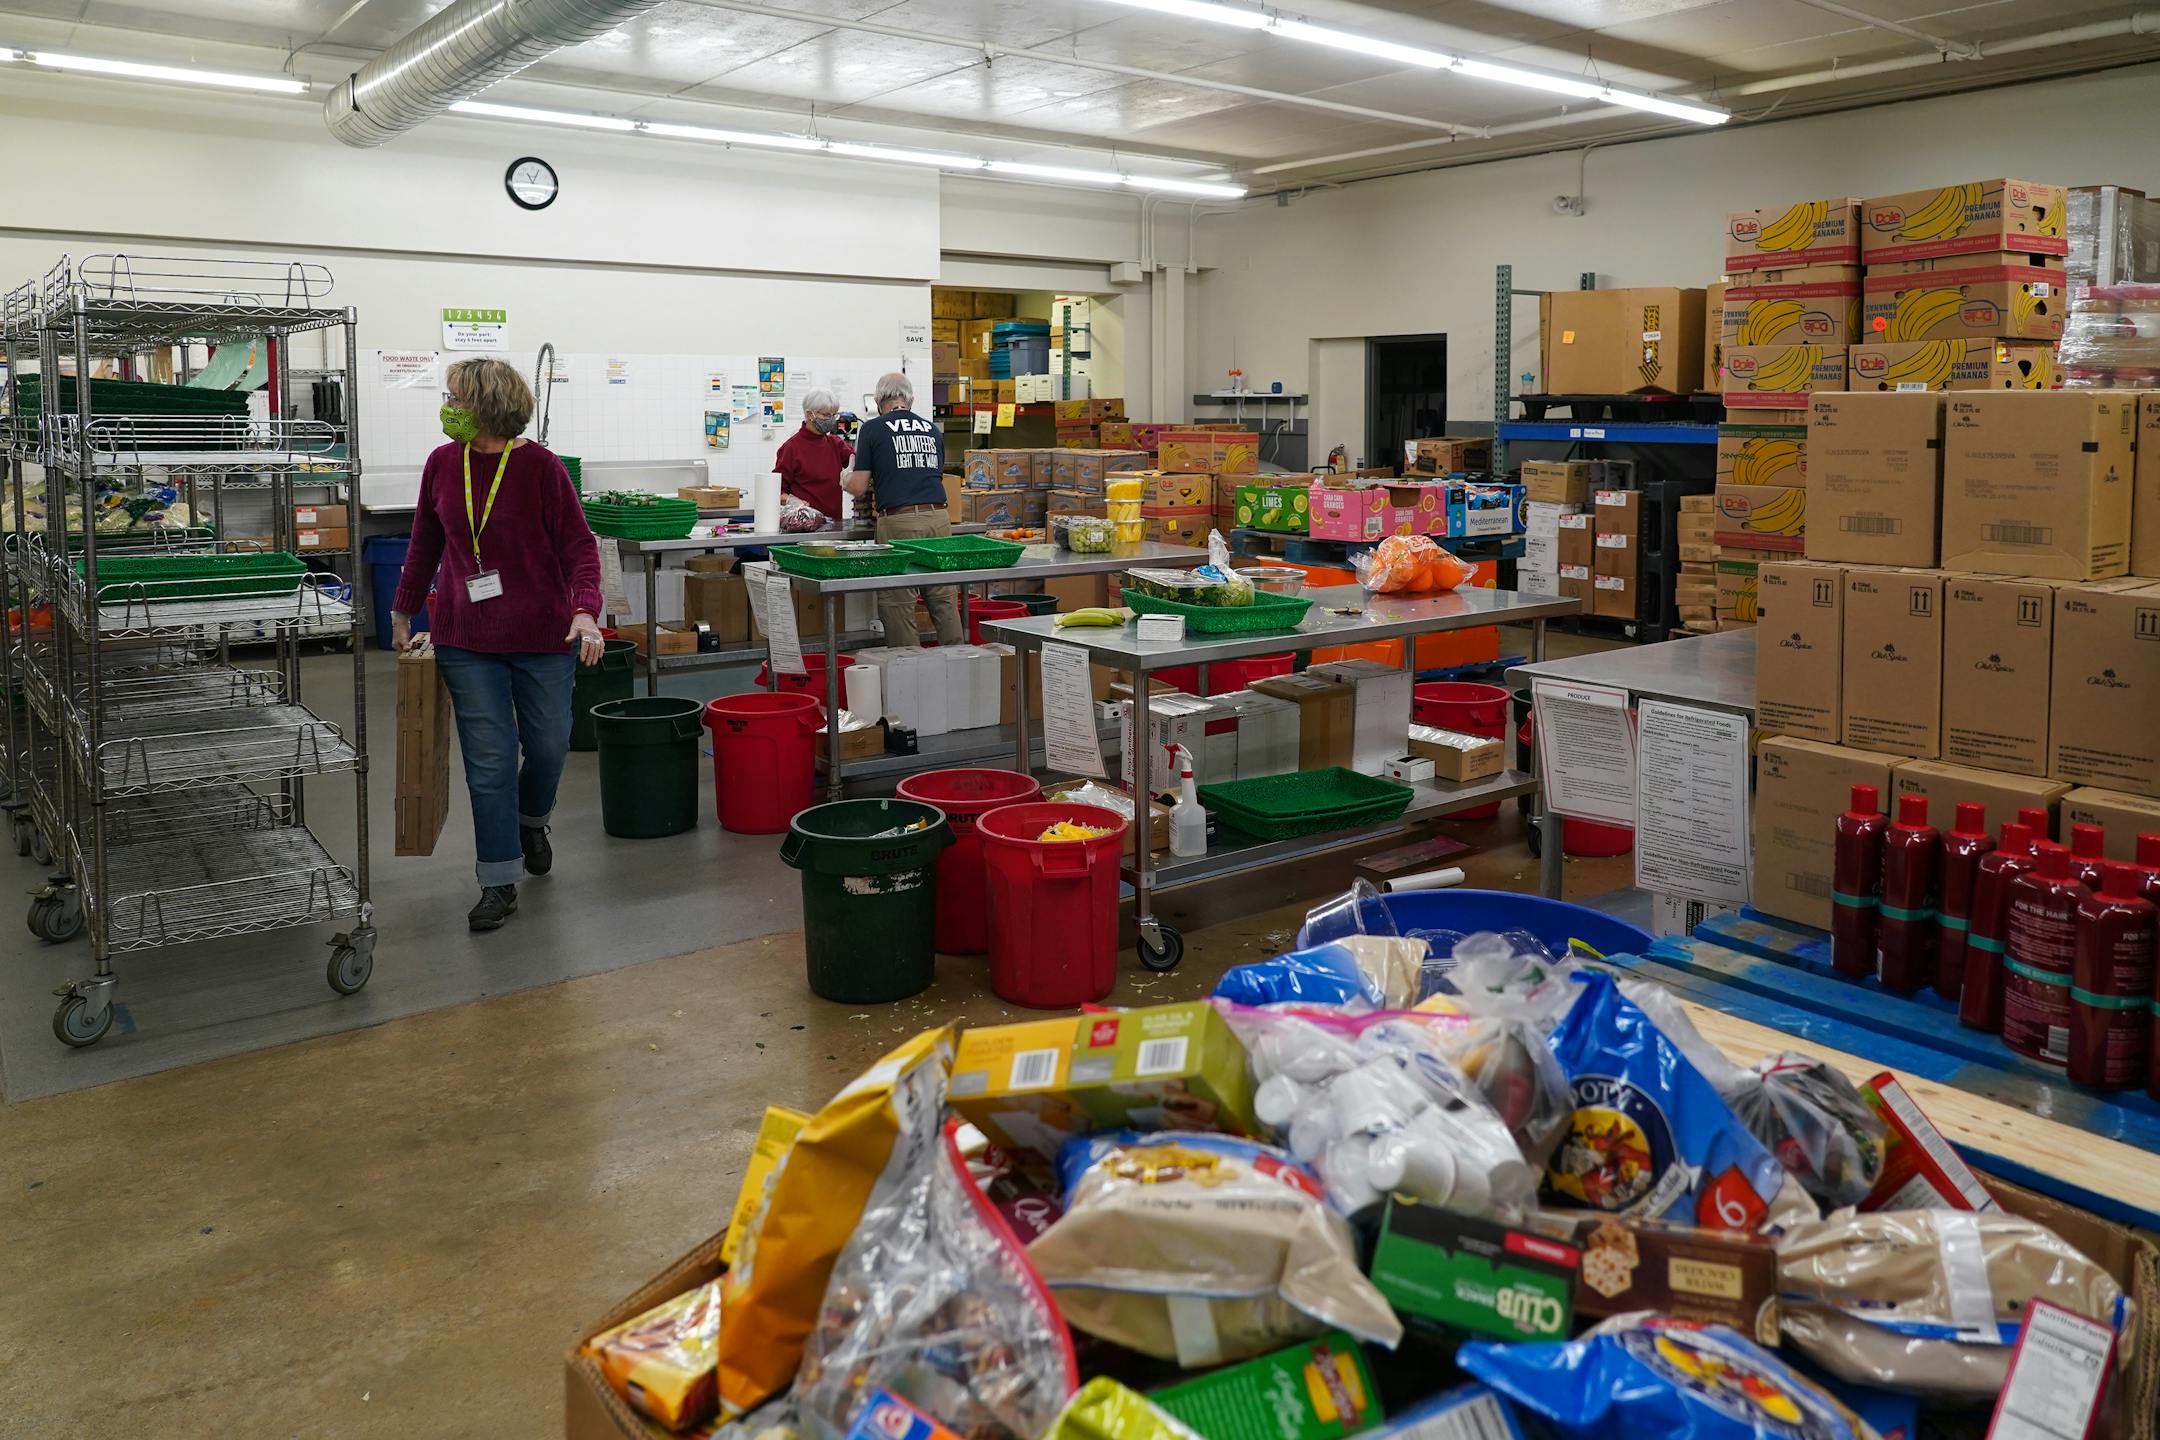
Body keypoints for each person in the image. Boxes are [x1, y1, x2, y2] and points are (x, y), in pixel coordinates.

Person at [390, 357, 605, 933]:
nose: (448, 407)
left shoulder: (541, 468)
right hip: (466, 637)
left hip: (543, 634)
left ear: (485, 404)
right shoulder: (441, 464)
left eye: (455, 398)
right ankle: (497, 879)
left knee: (550, 745)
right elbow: (423, 543)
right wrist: (403, 607)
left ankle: (532, 819)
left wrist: (586, 611)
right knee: (488, 762)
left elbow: (580, 548)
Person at [844, 371, 961, 647]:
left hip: (900, 522)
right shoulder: (932, 429)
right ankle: (960, 665)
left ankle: (909, 673)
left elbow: (859, 486)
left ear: (878, 401)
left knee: (898, 602)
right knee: (943, 598)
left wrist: (845, 477)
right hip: (939, 520)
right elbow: (931, 474)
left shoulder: (872, 429)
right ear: (910, 399)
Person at [773, 388, 852, 526]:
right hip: (804, 527)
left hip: (834, 526)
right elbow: (775, 489)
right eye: (827, 415)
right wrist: (792, 501)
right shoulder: (791, 448)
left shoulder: (836, 444)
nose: (831, 420)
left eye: (834, 415)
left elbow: (859, 461)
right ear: (810, 414)